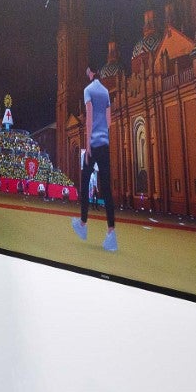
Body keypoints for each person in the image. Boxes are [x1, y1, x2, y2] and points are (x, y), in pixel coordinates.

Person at [71, 61, 118, 252]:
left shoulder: (88, 90)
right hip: (105, 144)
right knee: (106, 189)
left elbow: (89, 117)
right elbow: (108, 121)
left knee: (84, 182)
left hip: (94, 144)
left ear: (90, 72)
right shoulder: (106, 92)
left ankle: (82, 225)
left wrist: (89, 144)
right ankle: (111, 233)